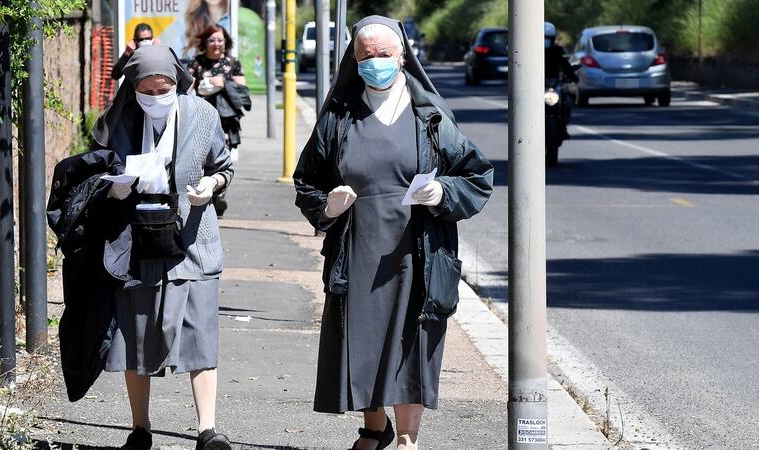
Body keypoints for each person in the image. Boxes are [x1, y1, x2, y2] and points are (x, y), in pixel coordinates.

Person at [293, 16, 494, 450]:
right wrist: (326, 206)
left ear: (402, 56)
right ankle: (374, 426)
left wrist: (442, 192)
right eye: (366, 55)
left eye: (384, 54)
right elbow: (306, 181)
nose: (376, 62)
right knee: (363, 342)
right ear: (354, 59)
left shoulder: (430, 116)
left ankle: (407, 438)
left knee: (411, 343)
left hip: (417, 251)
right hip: (357, 249)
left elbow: (477, 176)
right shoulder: (338, 117)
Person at [91, 45, 234, 450]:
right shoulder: (118, 120)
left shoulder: (202, 115)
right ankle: (140, 428)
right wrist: (113, 190)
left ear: (178, 83)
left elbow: (224, 166)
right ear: (133, 88)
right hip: (137, 243)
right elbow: (96, 172)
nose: (156, 96)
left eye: (164, 88)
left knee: (200, 333)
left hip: (193, 239)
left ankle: (208, 430)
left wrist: (212, 184)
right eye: (147, 90)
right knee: (135, 336)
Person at [186, 24, 248, 216]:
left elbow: (243, 93)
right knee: (202, 157)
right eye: (212, 39)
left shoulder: (232, 63)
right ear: (205, 42)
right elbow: (186, 89)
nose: (216, 43)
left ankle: (218, 193)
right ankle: (208, 192)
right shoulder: (196, 63)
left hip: (226, 121)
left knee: (222, 157)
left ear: (226, 42)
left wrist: (224, 83)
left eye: (220, 39)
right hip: (201, 120)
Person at [544, 21, 577, 139]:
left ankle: (563, 127)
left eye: (548, 38)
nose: (545, 40)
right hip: (536, 86)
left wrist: (573, 76)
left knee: (567, 102)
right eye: (543, 37)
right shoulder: (531, 51)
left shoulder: (558, 50)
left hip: (553, 85)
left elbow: (566, 65)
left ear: (553, 38)